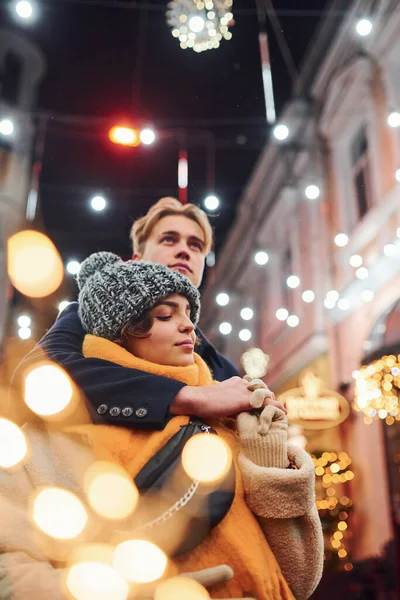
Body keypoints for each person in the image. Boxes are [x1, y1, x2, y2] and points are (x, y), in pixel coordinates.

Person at [0, 253, 323, 600]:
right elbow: (10, 570)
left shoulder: (227, 419)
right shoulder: (50, 436)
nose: (188, 326)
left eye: (188, 313)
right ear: (121, 332)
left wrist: (268, 457)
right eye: (165, 315)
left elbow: (299, 578)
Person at [13, 197, 285, 428]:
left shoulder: (219, 364)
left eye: (196, 245)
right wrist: (186, 397)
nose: (184, 251)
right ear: (137, 258)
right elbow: (37, 373)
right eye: (169, 239)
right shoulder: (89, 316)